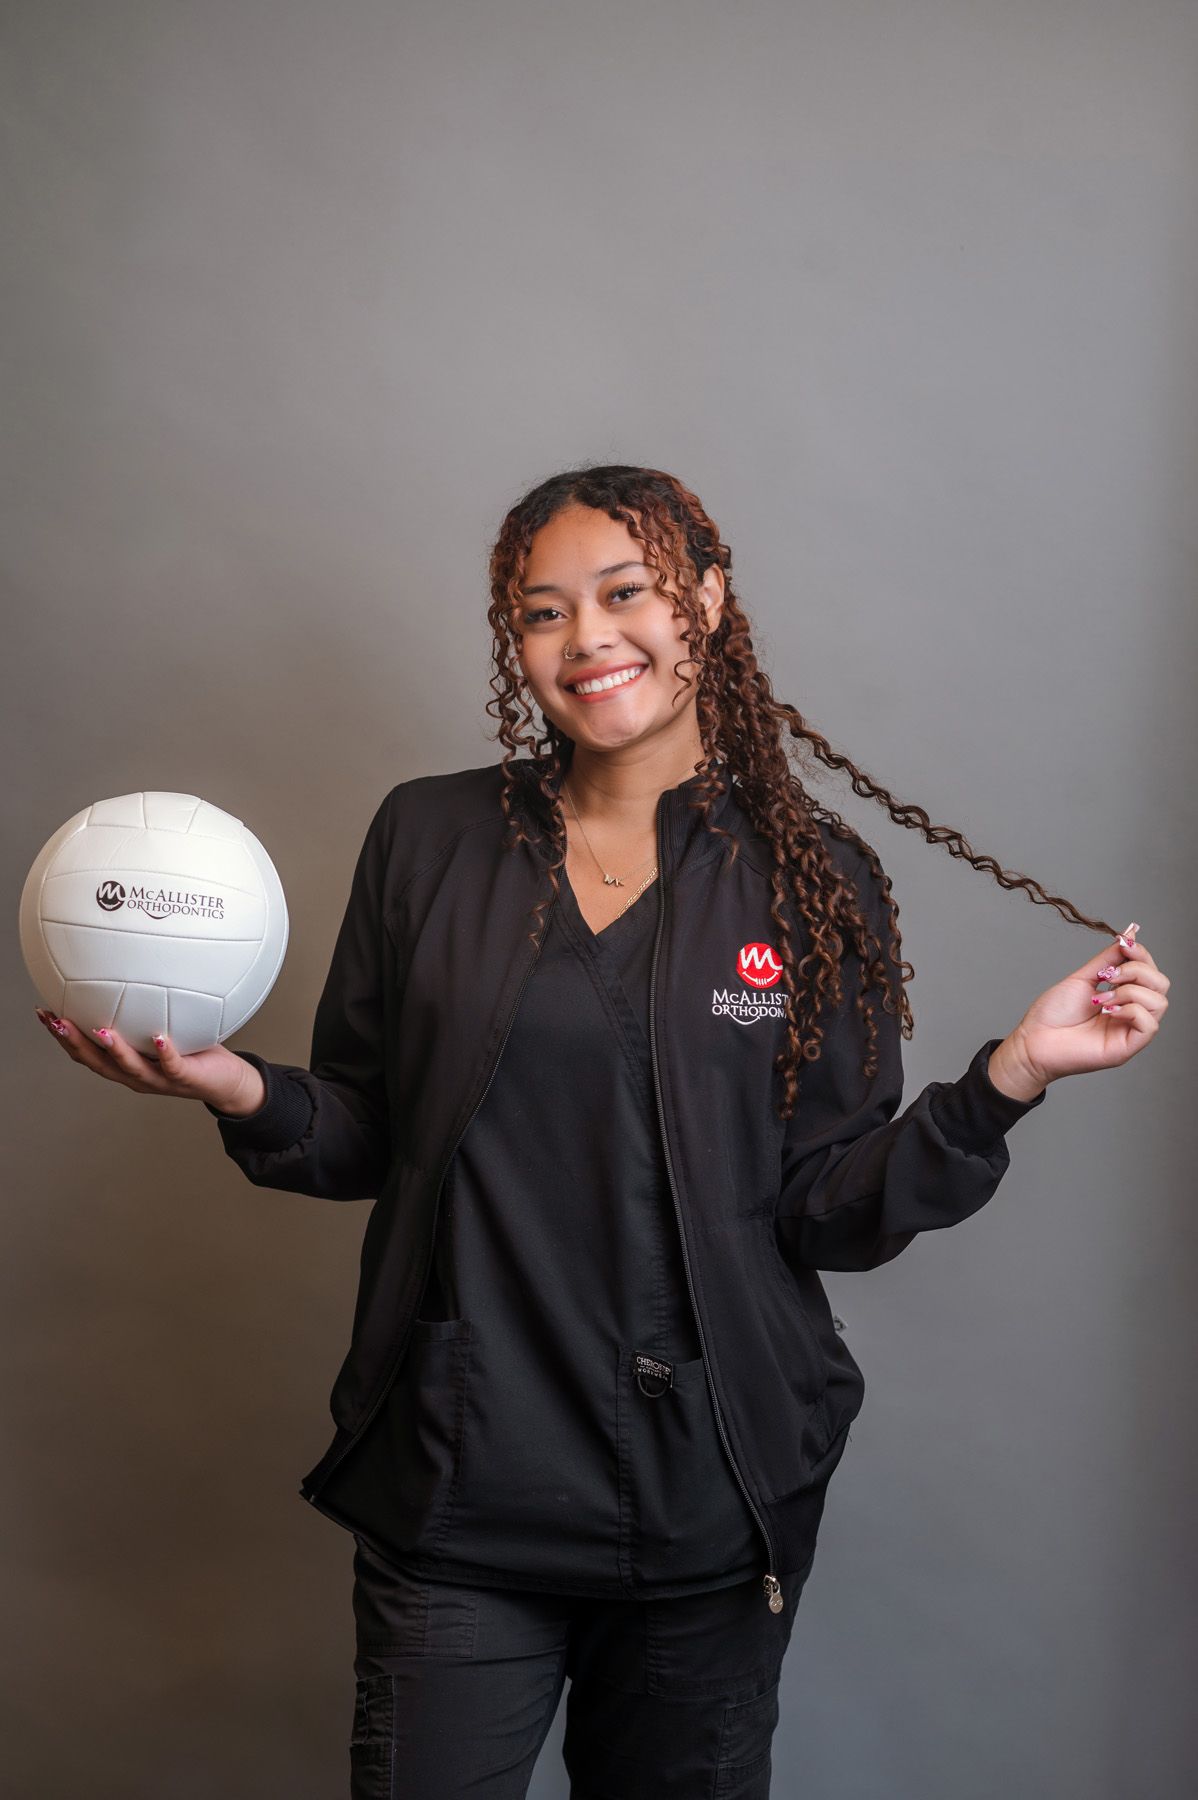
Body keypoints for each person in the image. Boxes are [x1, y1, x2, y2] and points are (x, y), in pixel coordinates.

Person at [36, 464, 1170, 1799]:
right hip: (462, 1486)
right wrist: (238, 1088)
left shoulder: (811, 878)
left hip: (709, 1498)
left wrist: (1008, 1075)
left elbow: (829, 1212)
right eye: (540, 613)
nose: (586, 641)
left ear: (706, 597)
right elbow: (362, 1133)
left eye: (623, 593)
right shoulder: (432, 838)